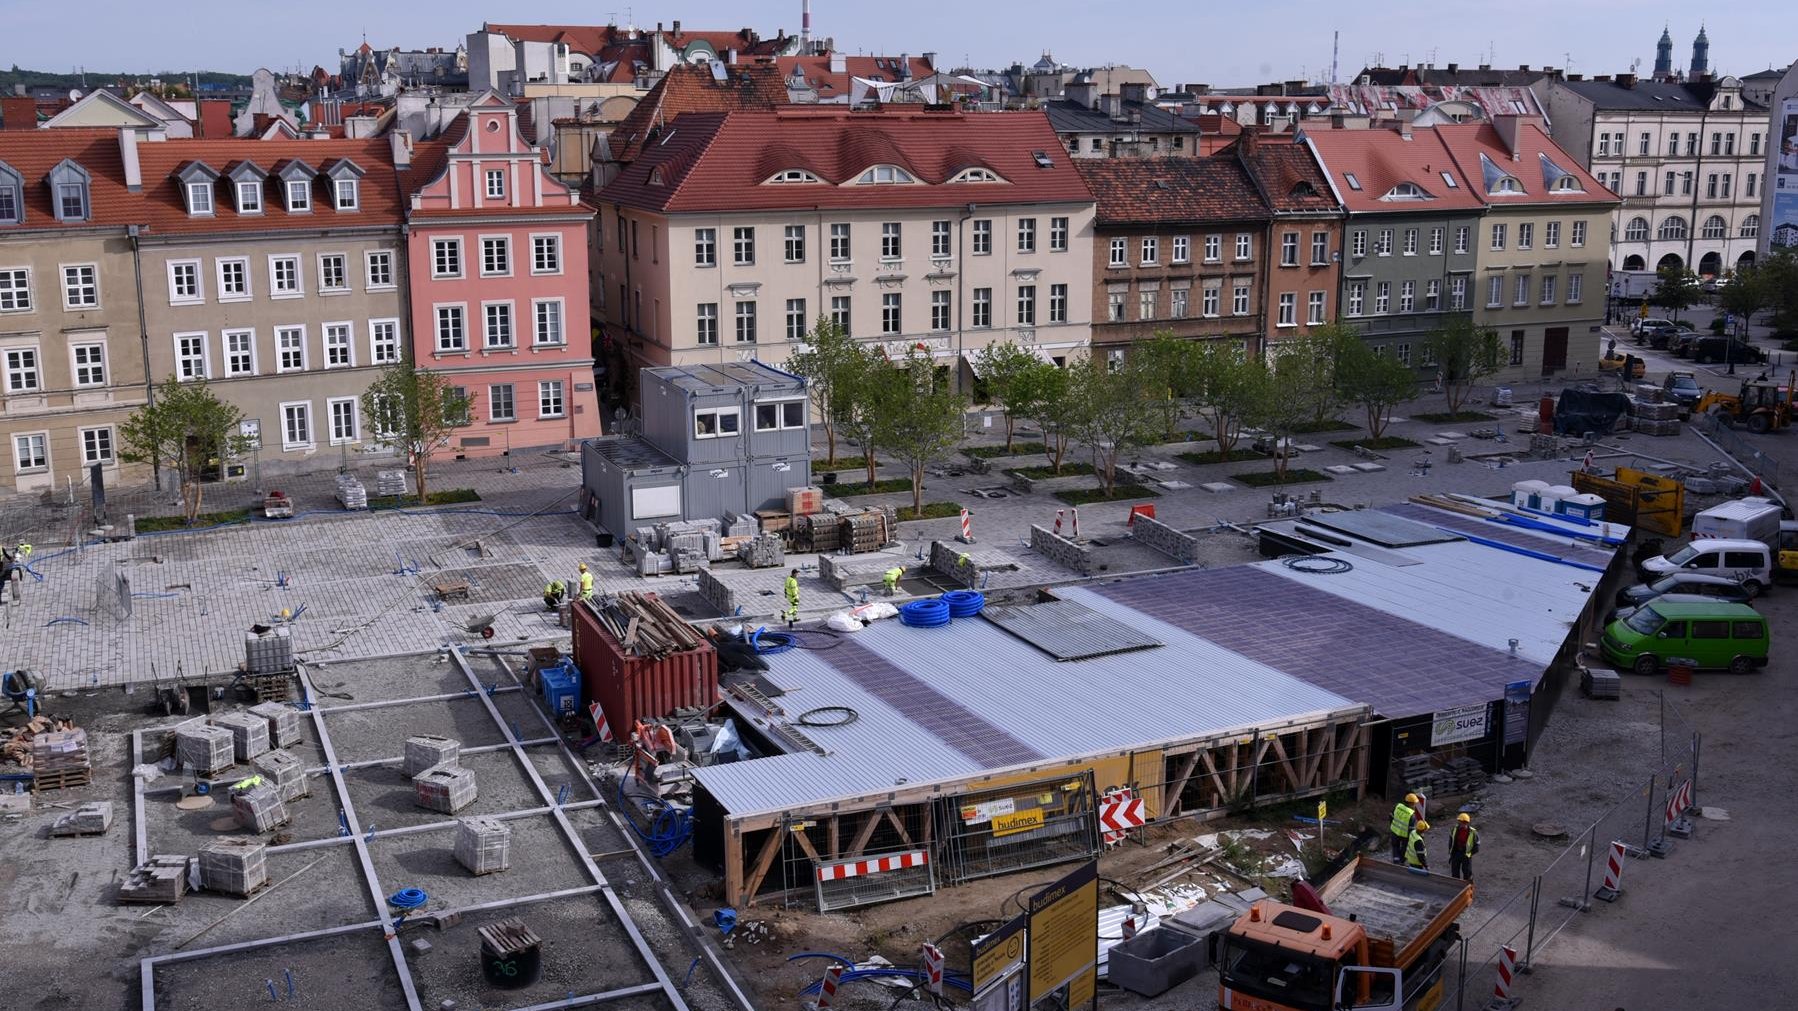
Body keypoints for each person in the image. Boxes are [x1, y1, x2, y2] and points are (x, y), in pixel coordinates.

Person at [1389, 792, 1422, 863]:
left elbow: (1390, 816)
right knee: (1405, 848)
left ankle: (1396, 860)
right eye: (1414, 803)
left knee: (1395, 846)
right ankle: (1401, 861)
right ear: (1410, 803)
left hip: (1394, 831)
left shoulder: (1397, 806)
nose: (1415, 805)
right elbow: (1411, 829)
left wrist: (1392, 825)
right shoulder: (1411, 814)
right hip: (1405, 835)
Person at [1448, 812, 1480, 881]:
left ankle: (1468, 889)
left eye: (1462, 822)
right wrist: (1451, 852)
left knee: (1467, 873)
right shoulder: (1454, 829)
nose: (1460, 823)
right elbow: (1451, 841)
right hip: (1456, 853)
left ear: (1466, 822)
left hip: (1466, 855)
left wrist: (1470, 853)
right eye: (1459, 821)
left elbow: (1477, 846)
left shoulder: (1473, 832)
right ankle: (1456, 887)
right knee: (1455, 872)